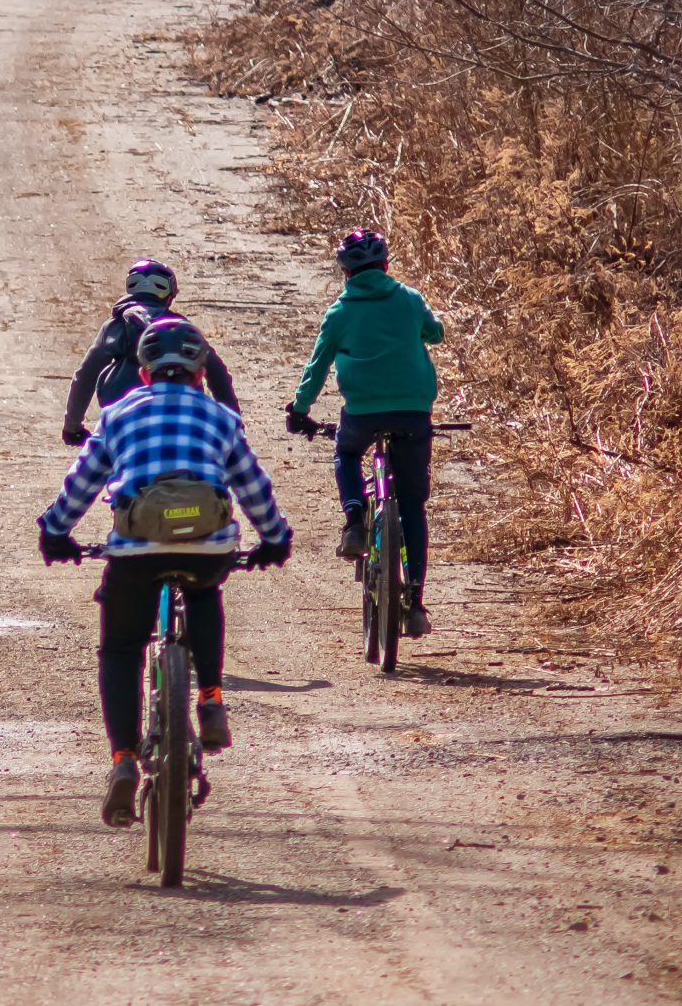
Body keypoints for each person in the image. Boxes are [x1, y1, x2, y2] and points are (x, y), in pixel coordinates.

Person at [39, 319, 291, 828]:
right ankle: (210, 698)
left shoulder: (117, 415)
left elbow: (82, 484)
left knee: (121, 648)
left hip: (136, 549)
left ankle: (124, 760)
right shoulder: (221, 418)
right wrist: (274, 538)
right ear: (200, 370)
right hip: (207, 544)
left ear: (144, 370)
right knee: (203, 594)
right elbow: (252, 486)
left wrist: (56, 531)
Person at [283, 227, 446, 637]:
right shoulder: (408, 299)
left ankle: (355, 520)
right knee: (412, 506)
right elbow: (436, 333)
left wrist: (300, 410)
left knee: (347, 452)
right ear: (386, 265)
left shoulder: (340, 314)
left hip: (363, 412)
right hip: (413, 411)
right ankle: (415, 601)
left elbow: (316, 368)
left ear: (345, 273)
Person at [61, 259, 239, 445]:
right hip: (182, 415)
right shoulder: (181, 328)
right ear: (169, 294)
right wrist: (232, 423)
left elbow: (87, 373)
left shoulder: (117, 325)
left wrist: (72, 426)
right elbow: (217, 372)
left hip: (122, 416)